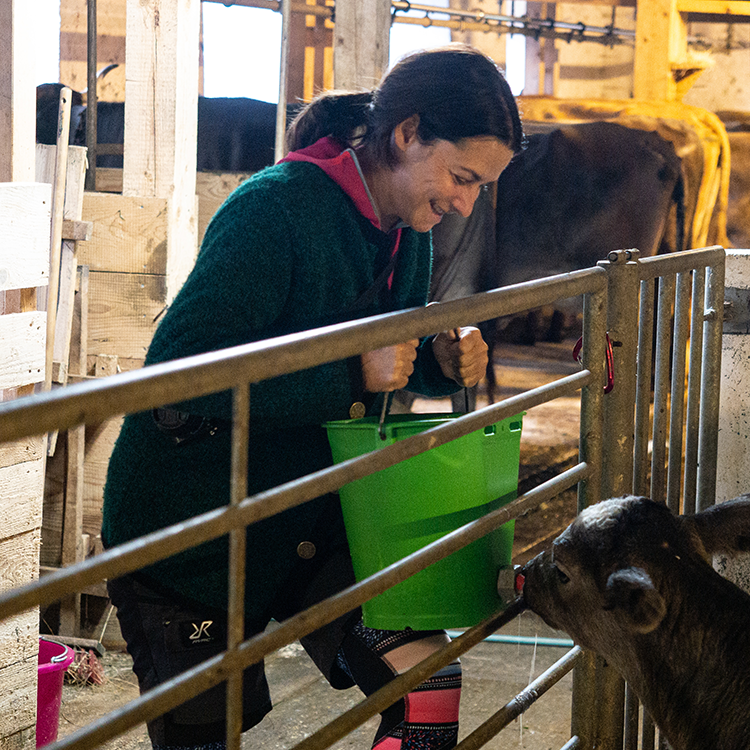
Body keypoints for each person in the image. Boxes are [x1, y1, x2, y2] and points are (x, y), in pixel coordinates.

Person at [101, 44, 523, 750]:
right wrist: (354, 373)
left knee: (429, 692)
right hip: (191, 532)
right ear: (408, 133)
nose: (464, 204)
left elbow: (378, 369)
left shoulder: (405, 232)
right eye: (461, 177)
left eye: (481, 186)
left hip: (311, 511)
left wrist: (438, 368)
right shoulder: (273, 212)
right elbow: (179, 375)